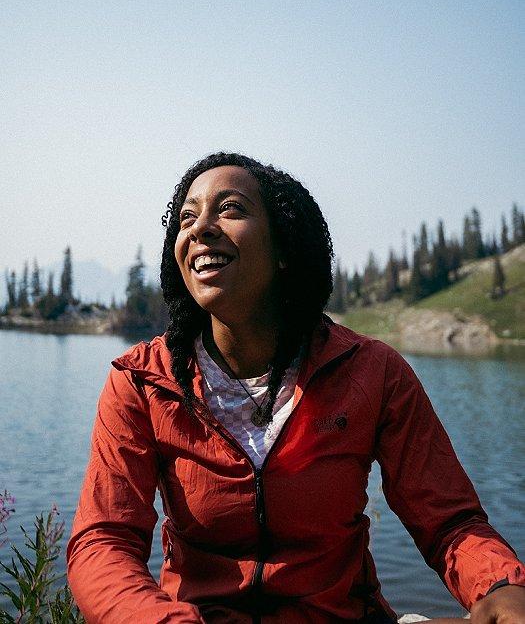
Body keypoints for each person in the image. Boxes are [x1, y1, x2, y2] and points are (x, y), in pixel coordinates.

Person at [67, 152, 525, 624]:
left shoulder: (373, 372)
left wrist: (499, 586)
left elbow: (450, 523)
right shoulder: (143, 382)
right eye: (187, 216)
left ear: (284, 248)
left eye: (230, 209)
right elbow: (104, 542)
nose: (200, 227)